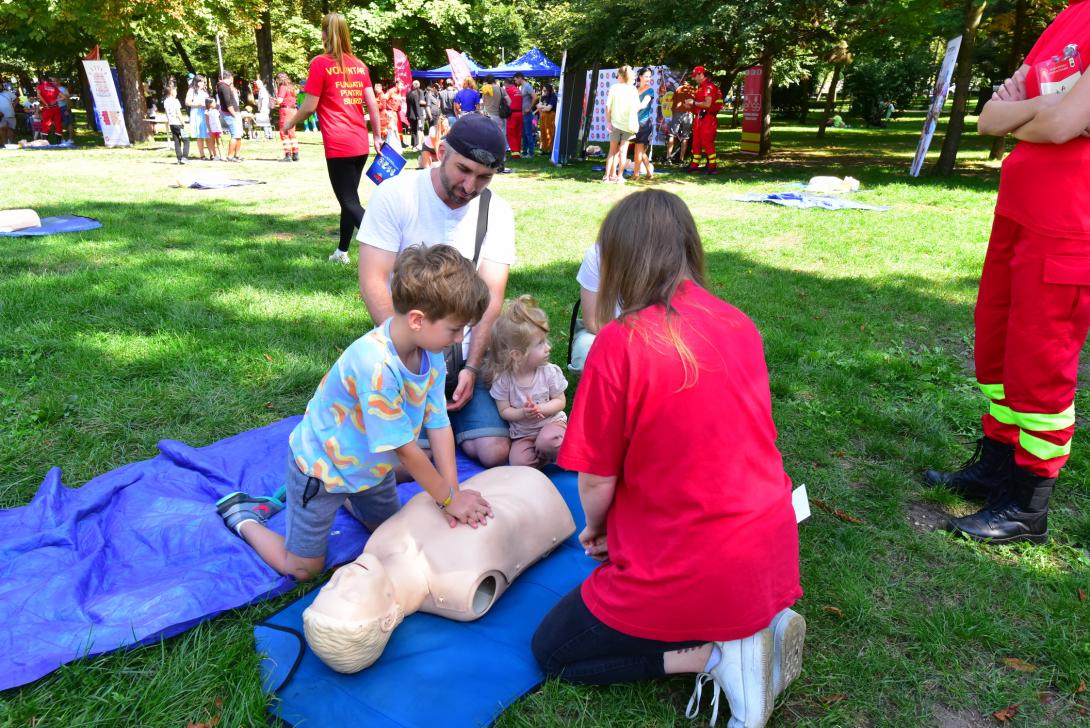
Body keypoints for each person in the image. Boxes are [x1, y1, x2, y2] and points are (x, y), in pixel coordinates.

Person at [531, 190, 805, 728]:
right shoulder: (739, 323)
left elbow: (595, 478)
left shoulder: (618, 342)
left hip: (691, 561)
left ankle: (715, 656)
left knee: (553, 652)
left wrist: (598, 531)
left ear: (620, 260)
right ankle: (752, 627)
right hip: (766, 549)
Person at [217, 244, 494, 581]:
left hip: (371, 471)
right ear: (418, 320)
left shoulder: (430, 352)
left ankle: (350, 500)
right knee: (303, 569)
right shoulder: (375, 366)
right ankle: (241, 517)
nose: (459, 339)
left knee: (391, 534)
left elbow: (438, 422)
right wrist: (448, 499)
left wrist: (453, 490)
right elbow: (406, 451)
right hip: (323, 471)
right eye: (455, 329)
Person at [926, 1, 1090, 545]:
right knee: (997, 346)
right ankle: (996, 465)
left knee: (1040, 358)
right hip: (1020, 210)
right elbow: (990, 120)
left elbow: (1066, 123)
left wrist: (1050, 111)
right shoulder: (1072, 15)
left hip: (1070, 223)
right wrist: (1054, 108)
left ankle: (1028, 504)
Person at [303, 466, 575, 673]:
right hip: (539, 496)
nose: (343, 576)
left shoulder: (376, 548)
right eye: (350, 595)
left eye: (330, 586)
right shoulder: (460, 589)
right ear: (387, 620)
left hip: (499, 478)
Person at [357, 114, 515, 468]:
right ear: (442, 151)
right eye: (463, 169)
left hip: (463, 351)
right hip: (407, 350)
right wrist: (407, 355)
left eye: (484, 177)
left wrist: (473, 367)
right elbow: (373, 280)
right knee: (406, 463)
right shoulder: (396, 194)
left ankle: (453, 414)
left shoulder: (497, 212)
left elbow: (492, 294)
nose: (470, 186)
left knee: (495, 452)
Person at [281, 12, 384, 265]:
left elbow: (309, 106)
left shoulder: (319, 63)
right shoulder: (360, 65)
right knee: (350, 200)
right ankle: (342, 252)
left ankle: (388, 251)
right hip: (360, 143)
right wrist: (378, 137)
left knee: (348, 201)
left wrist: (289, 123)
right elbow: (372, 104)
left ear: (325, 34)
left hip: (339, 144)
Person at [489, 295, 568, 467]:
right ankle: (548, 460)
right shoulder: (504, 380)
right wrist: (522, 413)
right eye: (540, 343)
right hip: (524, 435)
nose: (548, 347)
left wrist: (542, 409)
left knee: (549, 441)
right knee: (518, 462)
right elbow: (504, 411)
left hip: (552, 425)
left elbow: (561, 401)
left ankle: (558, 454)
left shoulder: (548, 372)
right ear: (517, 354)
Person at [603, 66, 638, 183]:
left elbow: (608, 106)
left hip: (614, 124)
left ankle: (606, 177)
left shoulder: (614, 88)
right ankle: (619, 177)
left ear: (621, 76)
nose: (616, 77)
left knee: (612, 152)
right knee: (623, 152)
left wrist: (608, 121)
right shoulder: (633, 89)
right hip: (628, 125)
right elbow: (636, 107)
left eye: (617, 75)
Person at [685, 66, 723, 174]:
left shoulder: (708, 87)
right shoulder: (701, 87)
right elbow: (699, 105)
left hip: (708, 119)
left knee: (707, 142)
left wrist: (693, 103)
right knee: (696, 142)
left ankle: (712, 167)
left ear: (701, 74)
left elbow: (708, 104)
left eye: (695, 76)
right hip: (699, 118)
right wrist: (689, 105)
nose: (694, 79)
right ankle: (694, 165)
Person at [631, 68, 655, 182]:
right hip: (632, 123)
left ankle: (636, 175)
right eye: (646, 76)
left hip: (644, 124)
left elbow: (643, 105)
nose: (648, 79)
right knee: (640, 151)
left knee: (638, 149)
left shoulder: (650, 91)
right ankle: (649, 172)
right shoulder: (634, 89)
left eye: (650, 77)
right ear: (640, 76)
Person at [216, 70, 244, 162]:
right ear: (229, 77)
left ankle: (237, 154)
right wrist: (234, 114)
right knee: (235, 135)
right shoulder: (223, 87)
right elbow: (228, 103)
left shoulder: (226, 86)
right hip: (231, 114)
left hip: (234, 113)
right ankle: (230, 156)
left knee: (238, 135)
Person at [666, 79, 694, 165]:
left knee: (672, 135)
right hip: (688, 114)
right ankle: (681, 159)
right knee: (685, 137)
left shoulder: (678, 89)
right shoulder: (693, 90)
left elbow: (673, 103)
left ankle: (668, 157)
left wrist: (674, 111)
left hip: (677, 113)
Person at [273, 72, 299, 162]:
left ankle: (287, 155)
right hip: (293, 110)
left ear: (279, 79)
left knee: (284, 132)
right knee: (292, 132)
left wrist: (275, 100)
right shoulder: (291, 87)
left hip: (286, 110)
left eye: (276, 79)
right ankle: (295, 154)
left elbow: (280, 101)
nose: (276, 82)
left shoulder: (282, 87)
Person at [163, 81, 190, 164]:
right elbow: (179, 113)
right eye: (175, 91)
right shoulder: (175, 101)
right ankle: (184, 157)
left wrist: (169, 121)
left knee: (177, 141)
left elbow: (167, 113)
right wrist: (184, 123)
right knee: (186, 140)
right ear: (171, 92)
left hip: (171, 123)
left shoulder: (165, 101)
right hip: (178, 123)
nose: (176, 93)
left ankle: (179, 158)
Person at [186, 75, 210, 160]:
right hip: (197, 112)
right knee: (200, 135)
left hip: (205, 112)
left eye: (204, 81)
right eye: (202, 81)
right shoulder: (192, 90)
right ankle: (202, 155)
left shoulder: (204, 91)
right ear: (197, 82)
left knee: (208, 133)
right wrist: (198, 104)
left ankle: (212, 154)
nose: (203, 83)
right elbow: (187, 102)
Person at [35, 75, 65, 143]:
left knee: (46, 124)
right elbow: (64, 97)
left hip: (47, 108)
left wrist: (45, 103)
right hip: (56, 108)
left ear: (42, 80)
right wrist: (55, 100)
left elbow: (38, 95)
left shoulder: (40, 86)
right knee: (58, 124)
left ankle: (45, 143)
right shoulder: (54, 87)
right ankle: (58, 143)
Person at [515, 73, 537, 158]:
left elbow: (535, 97)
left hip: (527, 114)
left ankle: (531, 153)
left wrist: (529, 108)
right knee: (524, 134)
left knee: (528, 134)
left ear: (520, 78)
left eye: (516, 79)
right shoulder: (522, 87)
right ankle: (524, 153)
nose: (515, 81)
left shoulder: (527, 86)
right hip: (523, 114)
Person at [479, 74, 504, 141]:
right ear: (494, 80)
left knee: (488, 135)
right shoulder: (501, 89)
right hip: (499, 115)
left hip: (487, 115)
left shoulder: (485, 89)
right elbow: (509, 101)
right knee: (499, 135)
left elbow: (483, 102)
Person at [536, 83, 557, 154]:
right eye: (543, 90)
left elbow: (549, 109)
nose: (543, 92)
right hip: (543, 115)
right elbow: (538, 106)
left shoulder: (553, 97)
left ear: (549, 90)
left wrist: (543, 107)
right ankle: (544, 149)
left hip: (550, 116)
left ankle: (550, 150)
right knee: (543, 132)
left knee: (550, 133)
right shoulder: (543, 97)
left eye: (545, 90)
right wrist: (544, 107)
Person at [505, 78, 523, 159]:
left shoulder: (508, 90)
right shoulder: (518, 90)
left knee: (511, 133)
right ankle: (518, 151)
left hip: (512, 114)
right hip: (520, 113)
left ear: (506, 83)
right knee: (518, 133)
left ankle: (515, 154)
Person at [406, 79, 425, 150]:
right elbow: (418, 104)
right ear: (419, 85)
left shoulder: (408, 93)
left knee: (413, 130)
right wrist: (419, 115)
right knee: (419, 129)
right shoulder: (420, 92)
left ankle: (414, 144)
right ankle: (417, 145)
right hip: (417, 113)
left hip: (410, 114)